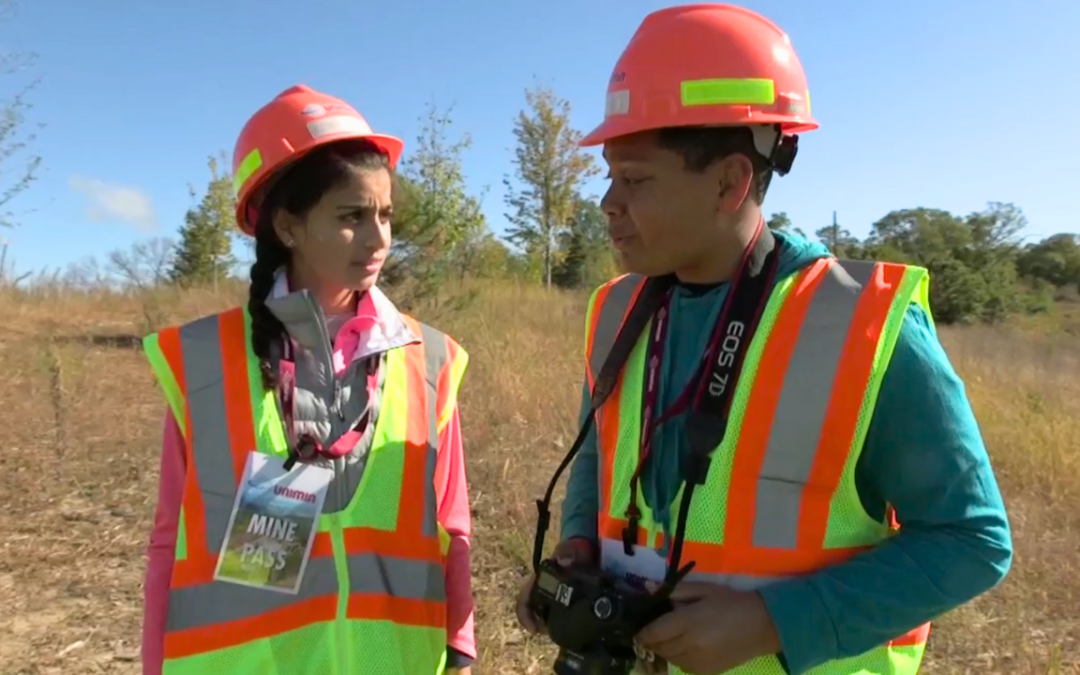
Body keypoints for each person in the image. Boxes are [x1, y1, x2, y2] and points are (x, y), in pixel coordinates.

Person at [515, 4, 1013, 675]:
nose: (608, 201)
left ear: (729, 181)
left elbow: (972, 539)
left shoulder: (863, 326)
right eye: (609, 174)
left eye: (634, 178)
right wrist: (578, 545)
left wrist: (774, 622)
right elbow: (599, 461)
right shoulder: (615, 312)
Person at [141, 85, 475, 675]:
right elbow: (170, 539)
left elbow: (454, 526)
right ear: (289, 227)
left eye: (385, 215)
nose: (379, 240)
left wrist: (461, 649)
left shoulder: (430, 359)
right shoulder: (207, 360)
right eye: (351, 217)